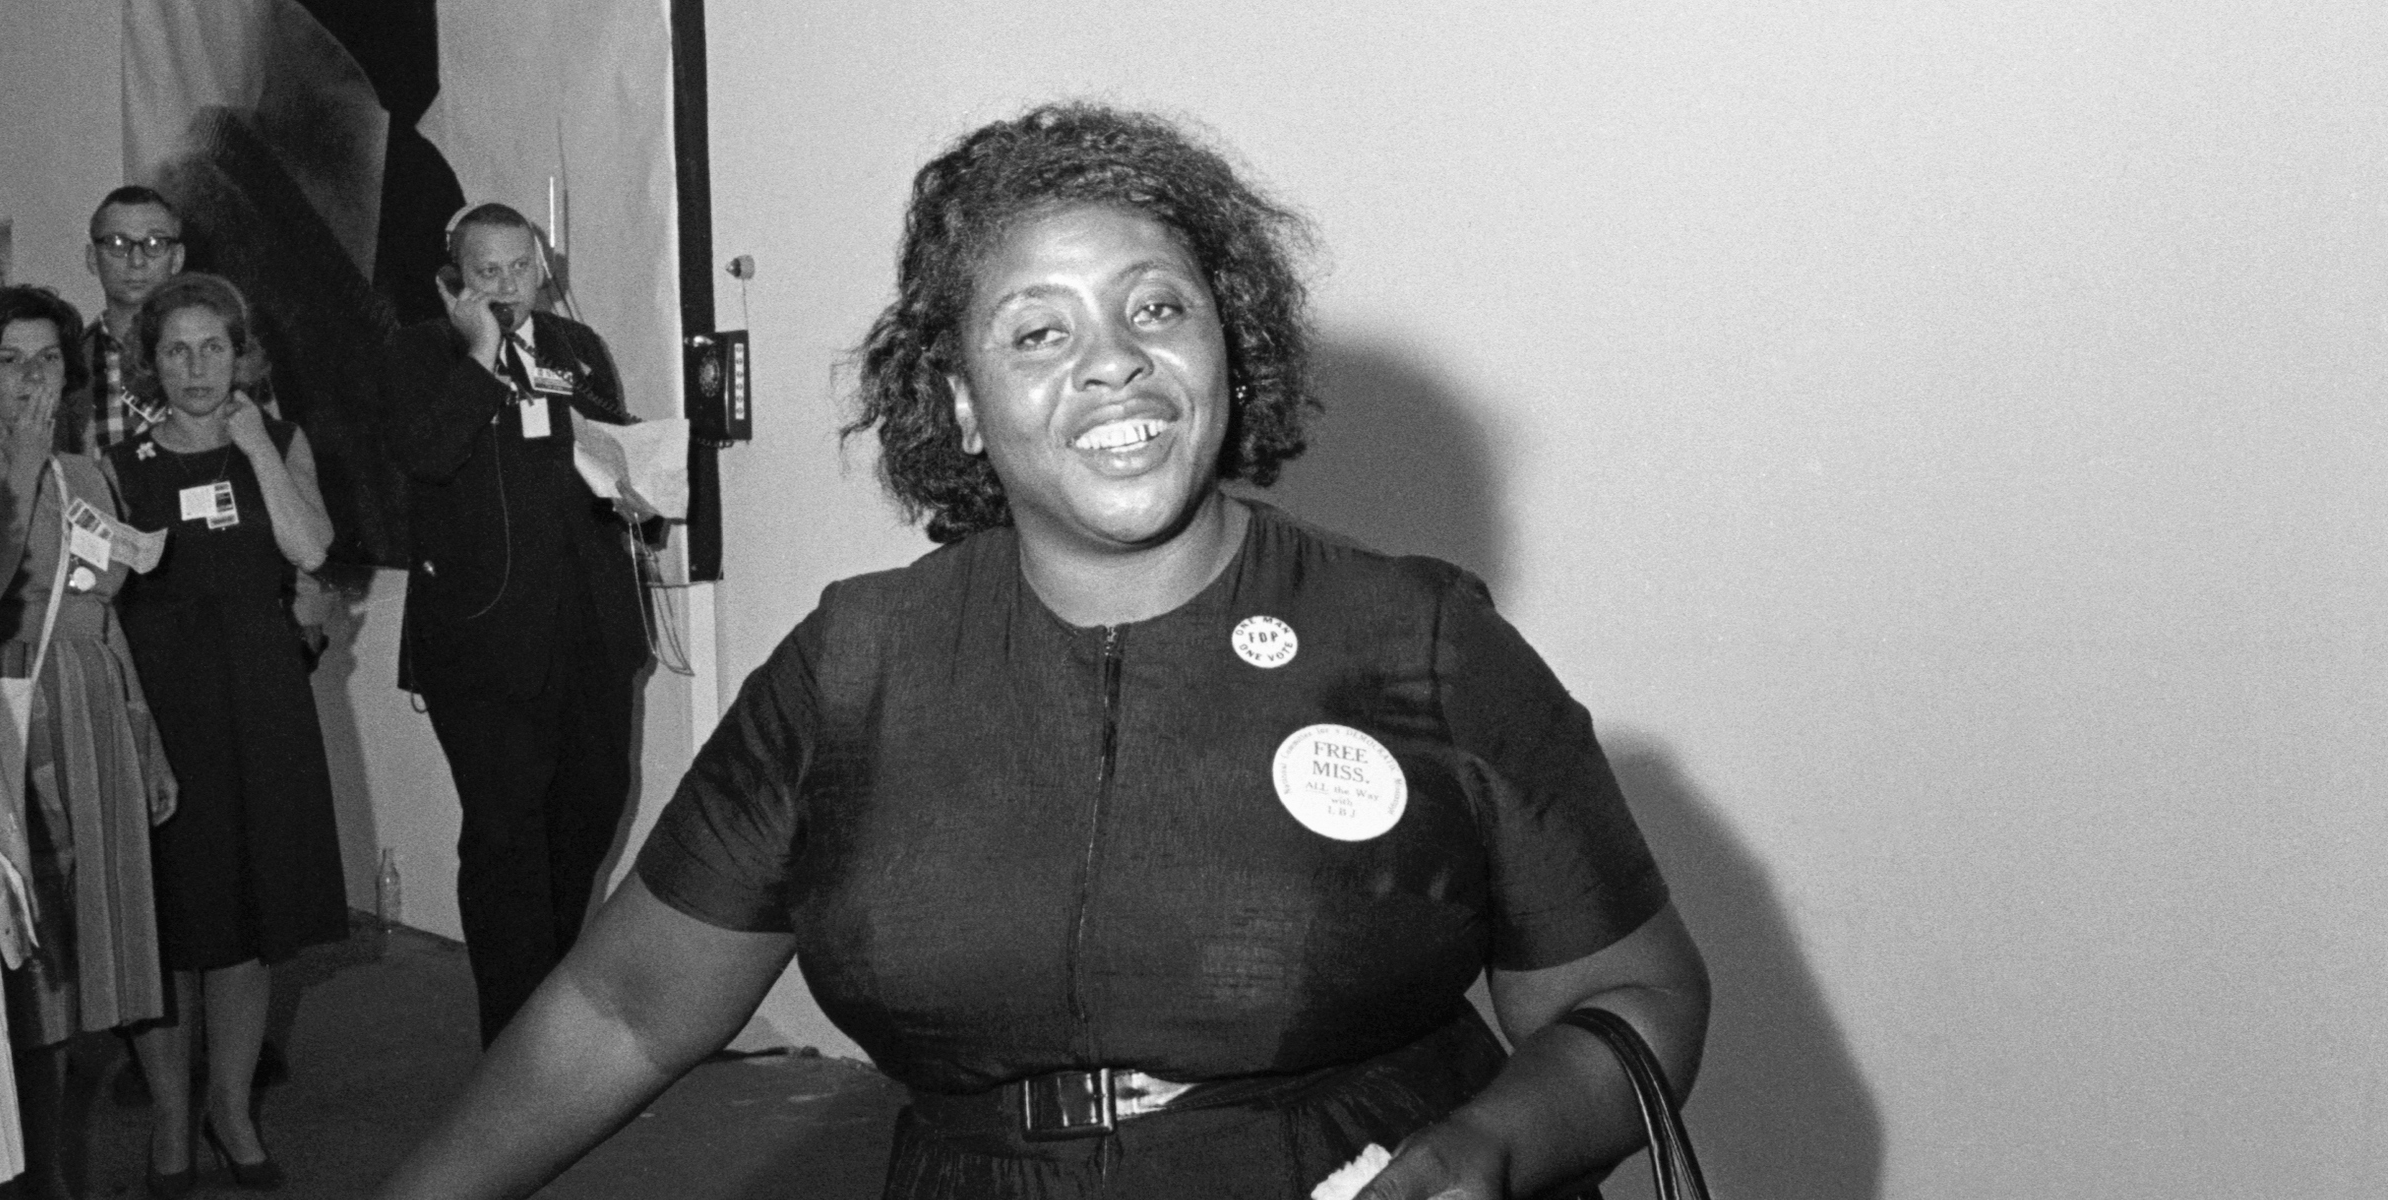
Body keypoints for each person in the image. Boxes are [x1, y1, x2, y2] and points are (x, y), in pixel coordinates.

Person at [377, 103, 1710, 1200]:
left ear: (1228, 350)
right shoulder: (858, 667)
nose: (1114, 365)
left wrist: (1488, 1147)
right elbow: (624, 1011)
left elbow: (1638, 994)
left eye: (1158, 310)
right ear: (957, 399)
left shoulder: (1419, 637)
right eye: (1038, 331)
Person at [383, 203, 652, 1049]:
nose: (505, 286)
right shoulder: (417, 353)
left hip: (590, 630)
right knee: (505, 835)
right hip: (482, 640)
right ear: (453, 281)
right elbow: (426, 455)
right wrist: (479, 358)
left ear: (543, 269)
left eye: (518, 268)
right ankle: (515, 1040)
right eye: (485, 271)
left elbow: (614, 452)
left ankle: (553, 992)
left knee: (593, 806)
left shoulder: (578, 351)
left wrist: (647, 484)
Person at [106, 271, 345, 1195]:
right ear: (151, 361)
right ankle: (171, 1112)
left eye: (214, 347)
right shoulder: (121, 468)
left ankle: (230, 1107)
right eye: (177, 349)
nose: (198, 367)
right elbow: (102, 611)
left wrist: (251, 446)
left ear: (240, 353)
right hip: (162, 706)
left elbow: (311, 550)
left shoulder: (276, 440)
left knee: (247, 915)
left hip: (260, 698)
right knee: (169, 919)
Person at [0, 285, 176, 1200]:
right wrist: (18, 465)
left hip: (89, 710)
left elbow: (103, 616)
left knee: (78, 981)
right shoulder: (8, 473)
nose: (33, 378)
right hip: (7, 726)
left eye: (49, 359)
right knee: (26, 980)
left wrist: (142, 733)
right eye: (9, 360)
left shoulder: (88, 475)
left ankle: (55, 1176)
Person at [62, 186, 184, 457]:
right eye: (118, 244)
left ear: (176, 258)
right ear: (92, 259)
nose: (137, 261)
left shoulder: (221, 353)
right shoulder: (67, 367)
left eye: (155, 244)